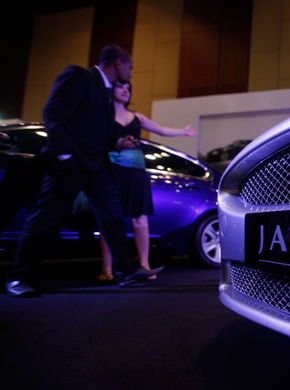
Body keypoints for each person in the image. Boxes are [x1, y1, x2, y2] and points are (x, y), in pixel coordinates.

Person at [5, 44, 163, 297]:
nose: (131, 74)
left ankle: (127, 271)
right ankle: (17, 278)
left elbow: (94, 129)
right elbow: (53, 112)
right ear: (118, 63)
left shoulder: (106, 91)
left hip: (98, 165)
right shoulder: (80, 75)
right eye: (130, 68)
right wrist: (64, 154)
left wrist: (116, 142)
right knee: (46, 217)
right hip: (71, 163)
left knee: (112, 216)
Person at [98, 81, 197, 281]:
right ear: (111, 90)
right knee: (110, 221)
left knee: (140, 219)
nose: (125, 90)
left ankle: (144, 266)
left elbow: (162, 130)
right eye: (120, 86)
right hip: (111, 170)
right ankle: (107, 269)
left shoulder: (137, 117)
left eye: (128, 87)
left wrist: (183, 131)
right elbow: (96, 140)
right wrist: (116, 143)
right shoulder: (104, 115)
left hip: (135, 172)